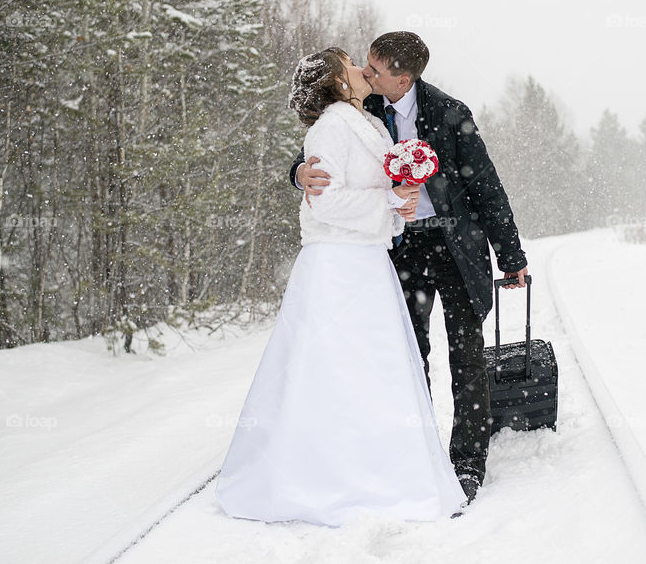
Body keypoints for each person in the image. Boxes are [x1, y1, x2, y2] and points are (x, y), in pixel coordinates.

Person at [215, 47, 467, 526]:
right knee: (333, 373)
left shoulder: (365, 123)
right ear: (337, 81)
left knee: (372, 372)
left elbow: (365, 192)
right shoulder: (331, 125)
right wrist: (388, 201)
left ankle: (374, 471)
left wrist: (397, 206)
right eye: (350, 63)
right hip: (337, 268)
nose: (360, 68)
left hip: (367, 262)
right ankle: (325, 479)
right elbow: (325, 202)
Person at [290, 32, 529, 503]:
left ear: (404, 78)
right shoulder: (365, 107)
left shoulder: (449, 114)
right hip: (400, 251)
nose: (366, 74)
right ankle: (419, 456)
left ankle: (467, 461)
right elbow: (322, 149)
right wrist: (296, 172)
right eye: (366, 68)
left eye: (376, 71)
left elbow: (486, 188)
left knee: (466, 355)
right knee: (406, 356)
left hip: (455, 246)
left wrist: (512, 255)